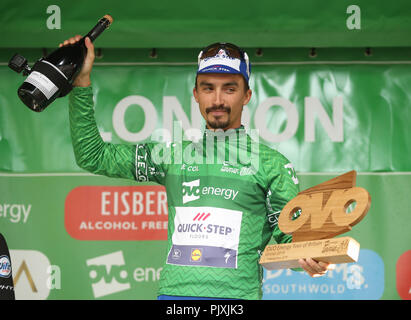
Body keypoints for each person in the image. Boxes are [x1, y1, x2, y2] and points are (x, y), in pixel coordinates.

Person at [63, 35, 331, 300]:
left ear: (247, 95)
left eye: (229, 88)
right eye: (207, 88)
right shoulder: (170, 155)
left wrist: (309, 257)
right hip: (174, 297)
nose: (217, 100)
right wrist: (81, 82)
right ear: (196, 94)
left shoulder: (272, 164)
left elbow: (291, 239)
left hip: (237, 299)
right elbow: (93, 155)